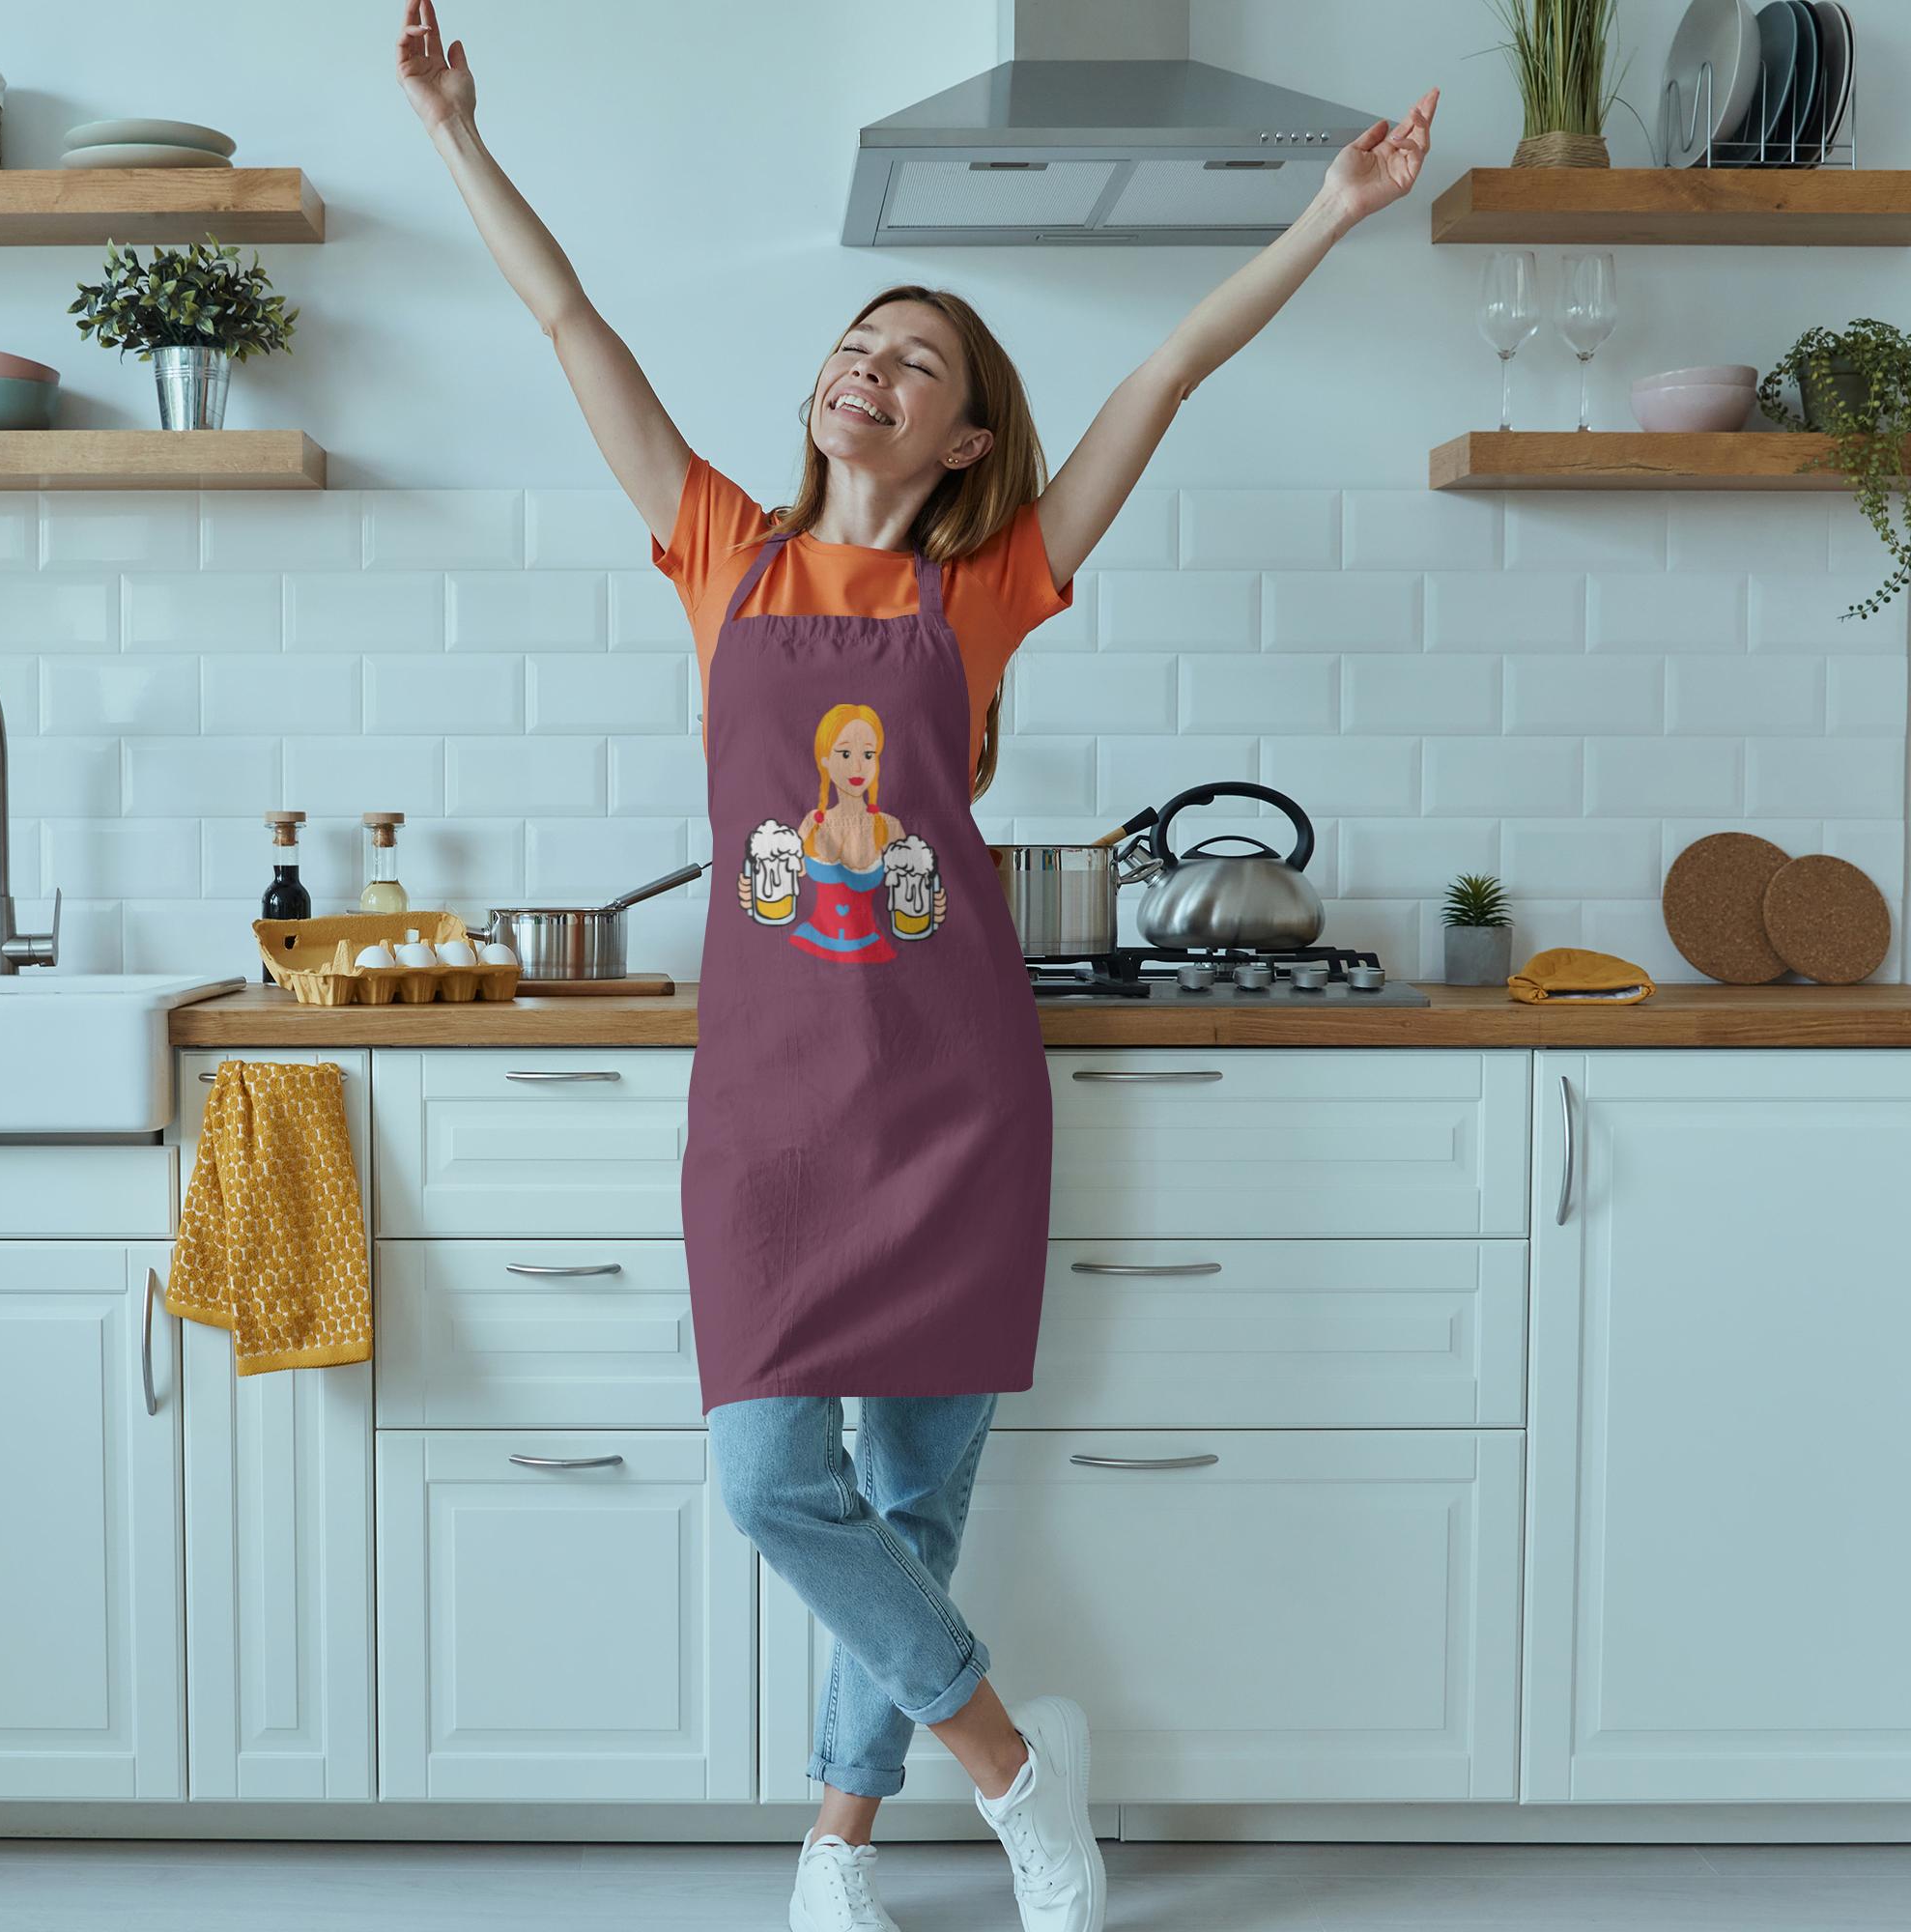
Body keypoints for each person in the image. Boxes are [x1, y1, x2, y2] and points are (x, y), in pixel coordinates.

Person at [397, 9, 1436, 1927]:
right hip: (771, 1115)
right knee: (775, 1487)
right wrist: (461, 132)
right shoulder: (724, 553)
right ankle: (1018, 1770)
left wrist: (1328, 213)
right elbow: (570, 329)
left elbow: (1174, 370)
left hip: (952, 1101)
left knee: (913, 1509)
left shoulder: (990, 585)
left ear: (963, 435)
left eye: (917, 359)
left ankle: (839, 1850)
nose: (868, 364)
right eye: (856, 340)